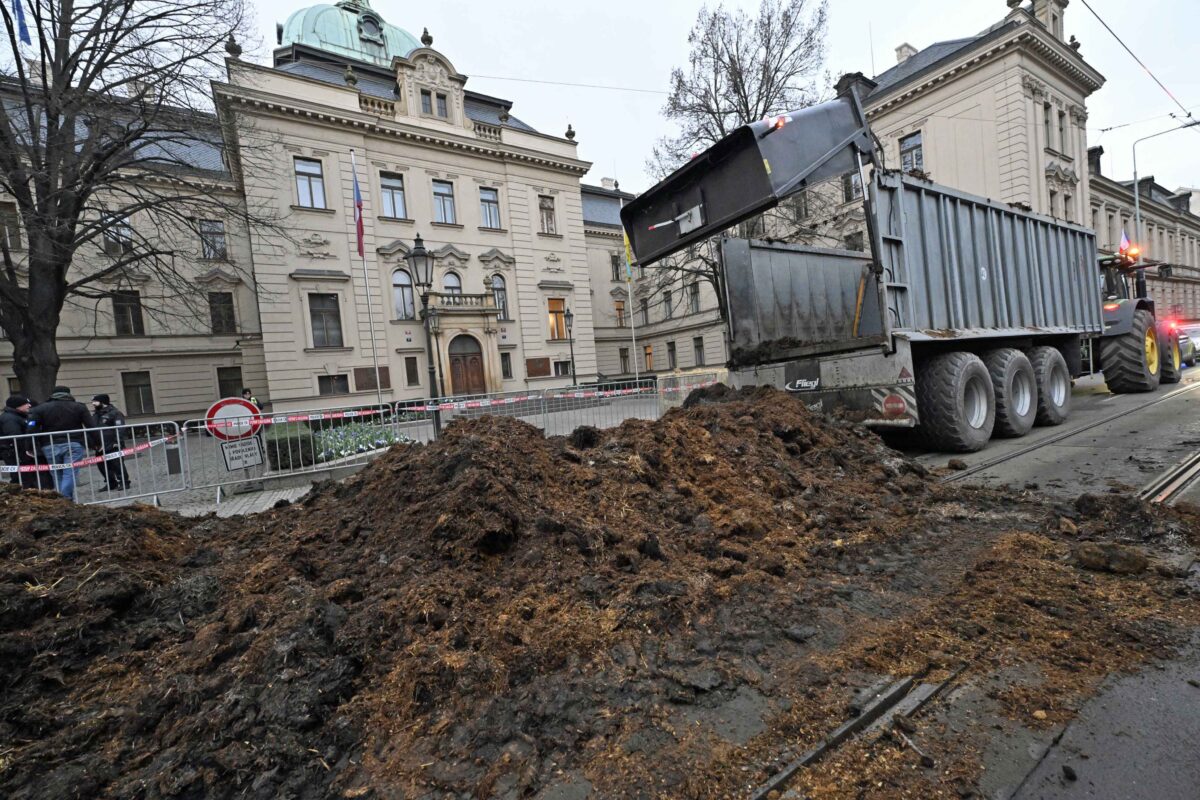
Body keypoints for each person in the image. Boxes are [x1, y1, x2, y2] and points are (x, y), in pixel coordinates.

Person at [28, 386, 97, 502]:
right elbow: (91, 426)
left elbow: (31, 428)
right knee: (70, 472)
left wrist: (30, 447)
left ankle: (62, 500)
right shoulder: (79, 407)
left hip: (49, 444)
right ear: (68, 394)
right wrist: (97, 442)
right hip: (73, 443)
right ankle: (65, 499)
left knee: (56, 473)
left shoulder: (40, 408)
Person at [0, 395, 43, 490]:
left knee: (26, 477)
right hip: (15, 452)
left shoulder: (18, 416)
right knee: (21, 478)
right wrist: (26, 450)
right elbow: (15, 436)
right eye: (25, 404)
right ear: (17, 406)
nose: (29, 405)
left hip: (19, 451)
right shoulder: (10, 418)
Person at [91, 394, 131, 492]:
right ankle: (111, 483)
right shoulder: (96, 415)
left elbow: (120, 428)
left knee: (117, 464)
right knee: (102, 465)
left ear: (103, 402)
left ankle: (124, 482)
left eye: (95, 401)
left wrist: (117, 441)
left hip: (112, 444)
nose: (93, 404)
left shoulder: (115, 413)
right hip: (100, 445)